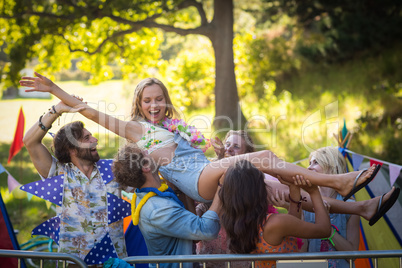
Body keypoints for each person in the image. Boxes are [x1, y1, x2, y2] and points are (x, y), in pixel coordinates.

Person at [20, 72, 380, 205]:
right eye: (148, 100)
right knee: (265, 154)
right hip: (197, 182)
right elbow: (86, 109)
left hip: (207, 171)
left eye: (159, 98)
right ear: (139, 105)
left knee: (277, 184)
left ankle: (358, 205)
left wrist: (220, 154)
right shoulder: (134, 129)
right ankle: (339, 180)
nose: (155, 105)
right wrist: (54, 89)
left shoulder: (172, 127)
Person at [22, 101, 127, 266]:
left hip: (114, 262)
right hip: (74, 263)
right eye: (87, 138)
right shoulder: (58, 172)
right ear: (72, 149)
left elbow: (147, 181)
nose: (95, 139)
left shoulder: (113, 169)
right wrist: (58, 110)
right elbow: (29, 142)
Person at [112, 143, 221, 268]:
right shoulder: (158, 209)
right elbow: (206, 230)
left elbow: (194, 235)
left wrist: (180, 189)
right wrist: (221, 189)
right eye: (145, 153)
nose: (149, 151)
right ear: (146, 167)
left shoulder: (147, 195)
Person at [219, 160, 330, 268]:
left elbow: (291, 225)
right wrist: (314, 192)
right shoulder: (274, 223)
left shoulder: (239, 222)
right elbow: (324, 230)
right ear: (257, 190)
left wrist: (294, 189)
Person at [301, 147, 399, 267]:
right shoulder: (305, 204)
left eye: (316, 162)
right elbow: (301, 251)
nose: (309, 167)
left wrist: (328, 230)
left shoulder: (350, 206)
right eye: (310, 163)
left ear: (334, 168)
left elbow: (352, 255)